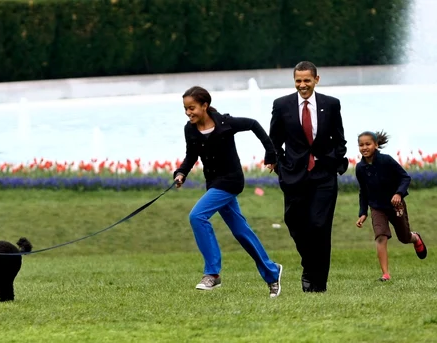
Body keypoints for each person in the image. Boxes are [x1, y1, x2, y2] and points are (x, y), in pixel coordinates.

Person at [173, 86, 283, 299]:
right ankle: (272, 272)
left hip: (231, 181)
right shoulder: (190, 129)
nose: (188, 113)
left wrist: (271, 154)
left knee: (197, 216)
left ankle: (212, 273)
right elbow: (191, 156)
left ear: (205, 105)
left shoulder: (226, 123)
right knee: (241, 231)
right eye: (186, 109)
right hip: (213, 182)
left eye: (192, 108)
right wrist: (181, 173)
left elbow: (253, 124)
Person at [268, 61, 348, 293]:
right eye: (298, 81)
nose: (302, 85)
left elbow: (339, 139)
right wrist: (281, 164)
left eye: (307, 80)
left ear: (316, 80)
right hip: (294, 176)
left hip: (324, 176)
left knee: (319, 225)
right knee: (295, 222)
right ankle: (308, 265)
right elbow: (274, 141)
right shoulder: (282, 105)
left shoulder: (331, 104)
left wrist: (333, 160)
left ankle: (317, 282)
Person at [355, 130, 427, 281]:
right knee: (381, 236)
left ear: (376, 145)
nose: (364, 147)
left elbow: (405, 177)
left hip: (395, 205)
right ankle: (386, 274)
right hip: (376, 207)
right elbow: (363, 191)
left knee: (404, 237)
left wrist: (398, 194)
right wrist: (363, 212)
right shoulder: (360, 168)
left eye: (368, 144)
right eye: (361, 145)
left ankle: (415, 238)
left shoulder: (386, 160)